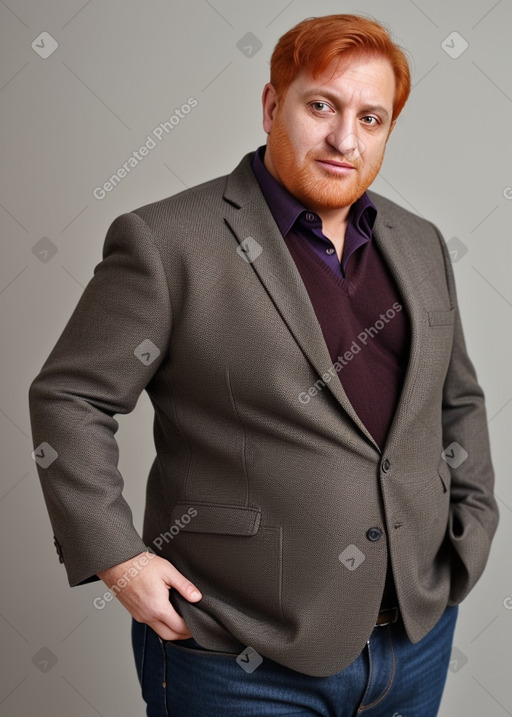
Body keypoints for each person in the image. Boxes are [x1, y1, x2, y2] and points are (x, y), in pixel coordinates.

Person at [29, 13, 499, 716]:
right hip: (238, 653)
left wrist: (474, 522)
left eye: (371, 118)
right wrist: (118, 556)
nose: (346, 138)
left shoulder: (421, 241)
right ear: (273, 104)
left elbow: (455, 397)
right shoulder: (166, 243)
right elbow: (71, 396)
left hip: (416, 637)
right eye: (322, 106)